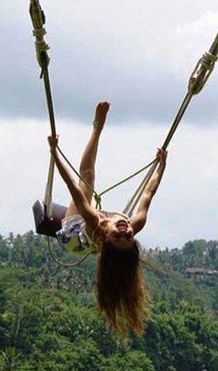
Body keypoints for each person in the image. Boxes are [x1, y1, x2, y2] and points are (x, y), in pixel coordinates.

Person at [48, 101, 167, 336]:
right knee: (91, 189)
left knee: (87, 180)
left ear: (105, 238)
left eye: (117, 235)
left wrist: (54, 154)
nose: (124, 229)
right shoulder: (135, 223)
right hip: (97, 237)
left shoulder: (95, 225)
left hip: (75, 236)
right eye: (128, 235)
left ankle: (96, 128)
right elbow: (148, 193)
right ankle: (98, 129)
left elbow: (74, 187)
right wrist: (161, 166)